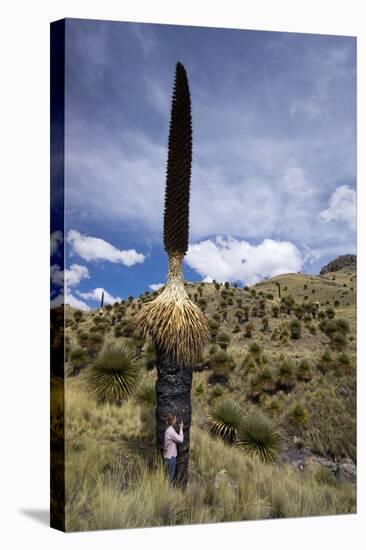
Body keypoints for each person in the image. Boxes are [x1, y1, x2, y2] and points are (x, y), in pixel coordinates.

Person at [163, 414, 184, 484]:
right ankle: (168, 493)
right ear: (173, 422)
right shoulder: (171, 431)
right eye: (175, 420)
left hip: (167, 457)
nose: (176, 421)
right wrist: (181, 429)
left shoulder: (168, 430)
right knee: (170, 478)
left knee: (168, 477)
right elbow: (181, 440)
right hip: (170, 458)